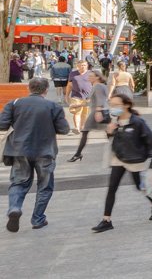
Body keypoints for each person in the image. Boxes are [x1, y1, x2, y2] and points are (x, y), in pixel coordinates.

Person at [1, 78, 70, 231]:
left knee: (18, 183)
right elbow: (64, 129)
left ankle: (14, 208)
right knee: (45, 186)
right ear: (46, 90)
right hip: (45, 151)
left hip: (19, 151)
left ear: (29, 88)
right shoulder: (53, 106)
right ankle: (38, 219)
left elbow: (2, 124)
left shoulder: (14, 104)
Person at [91, 92, 152, 232]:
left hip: (135, 159)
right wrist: (110, 132)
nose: (113, 108)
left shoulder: (137, 122)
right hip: (118, 158)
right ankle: (106, 220)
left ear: (127, 105)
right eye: (111, 105)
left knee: (140, 186)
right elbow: (112, 139)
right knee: (112, 187)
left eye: (116, 105)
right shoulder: (114, 120)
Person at [68, 70, 110, 162]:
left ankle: (78, 154)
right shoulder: (99, 86)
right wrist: (77, 105)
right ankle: (78, 154)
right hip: (101, 111)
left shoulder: (98, 86)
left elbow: (100, 100)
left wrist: (98, 111)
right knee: (109, 133)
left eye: (91, 76)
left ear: (97, 77)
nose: (89, 78)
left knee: (86, 132)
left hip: (98, 112)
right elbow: (92, 101)